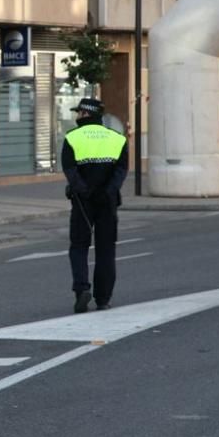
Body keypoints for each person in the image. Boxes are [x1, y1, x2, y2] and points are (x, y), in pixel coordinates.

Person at [62, 97, 129, 314]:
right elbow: (121, 170)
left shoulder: (72, 137)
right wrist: (108, 191)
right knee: (106, 250)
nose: (77, 116)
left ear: (85, 114)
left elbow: (70, 170)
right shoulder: (117, 139)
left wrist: (84, 191)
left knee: (79, 246)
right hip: (107, 202)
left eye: (78, 112)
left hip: (82, 202)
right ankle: (103, 299)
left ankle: (82, 289)